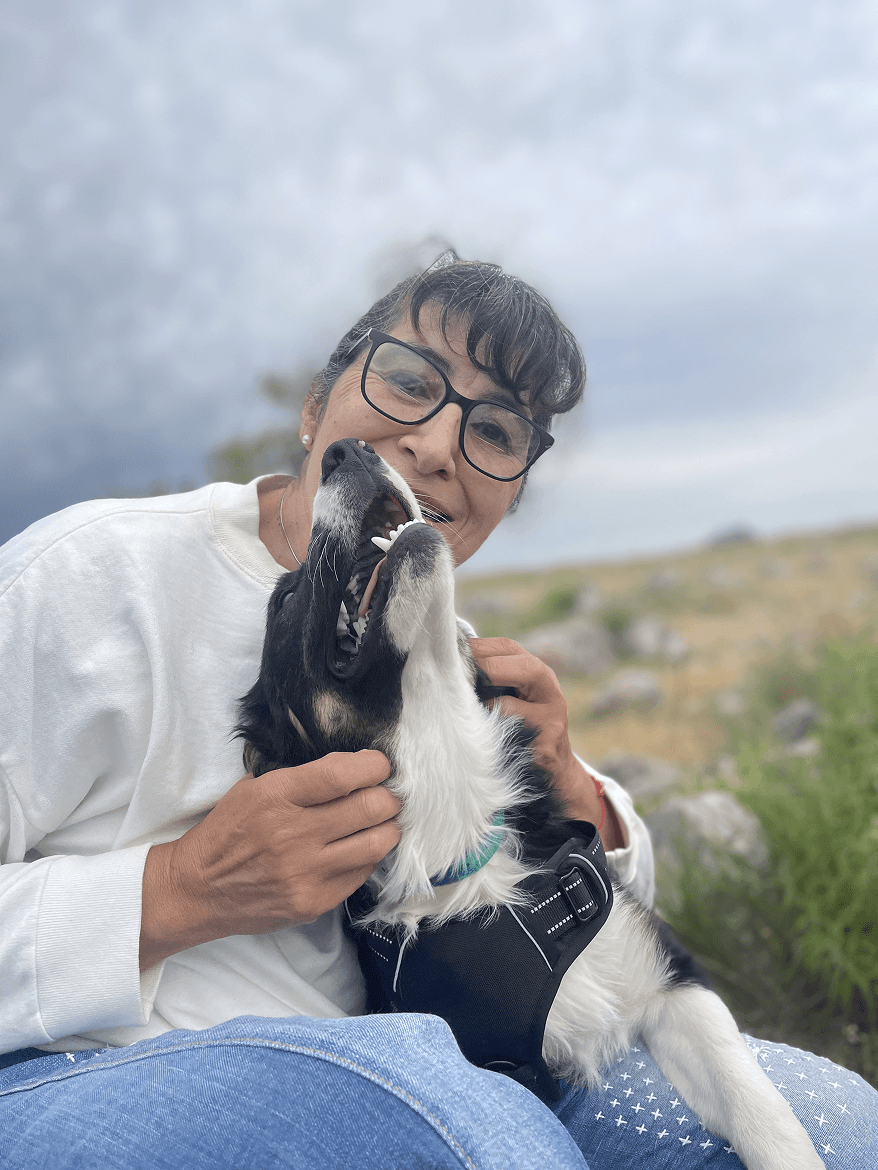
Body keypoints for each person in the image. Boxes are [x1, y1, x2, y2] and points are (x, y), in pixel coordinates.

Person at [0, 256, 874, 1169]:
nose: (438, 445)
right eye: (411, 381)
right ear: (315, 405)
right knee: (460, 1132)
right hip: (78, 1067)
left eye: (495, 430)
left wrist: (574, 788)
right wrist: (180, 889)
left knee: (838, 1130)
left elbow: (602, 918)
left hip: (446, 1052)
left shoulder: (438, 643)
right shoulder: (84, 581)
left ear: (509, 496)